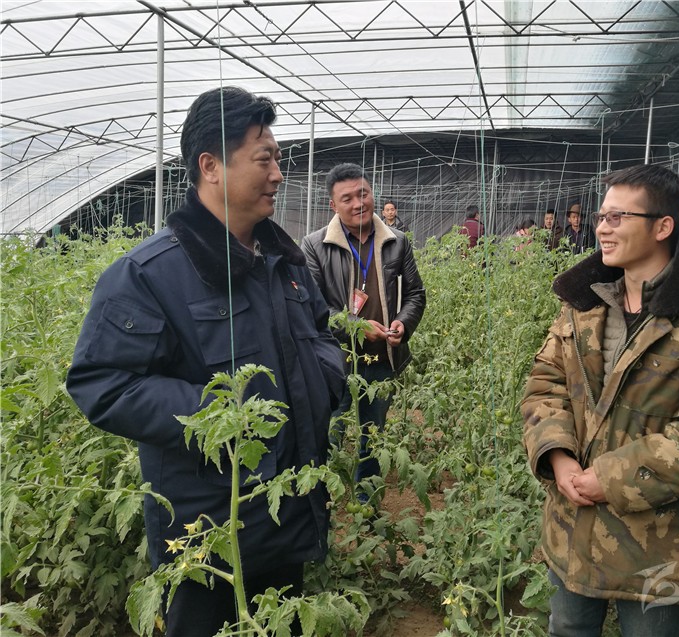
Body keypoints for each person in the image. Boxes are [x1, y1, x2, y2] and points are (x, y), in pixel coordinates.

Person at [66, 87, 346, 636]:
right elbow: (102, 383)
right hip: (206, 537)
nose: (278, 175)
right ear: (211, 166)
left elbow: (321, 333)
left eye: (278, 159)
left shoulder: (285, 263)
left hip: (286, 514)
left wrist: (325, 380)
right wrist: (220, 415)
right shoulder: (150, 274)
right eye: (263, 160)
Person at [522, 164, 679, 637]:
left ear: (663, 226)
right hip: (574, 522)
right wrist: (558, 457)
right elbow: (545, 382)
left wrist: (608, 479)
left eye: (618, 217)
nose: (602, 228)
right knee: (567, 625)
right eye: (601, 217)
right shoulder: (586, 301)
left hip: (659, 540)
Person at [301, 164, 426, 493]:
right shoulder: (315, 246)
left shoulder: (396, 241)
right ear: (333, 205)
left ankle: (366, 502)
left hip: (382, 357)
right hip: (335, 361)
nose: (359, 203)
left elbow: (415, 293)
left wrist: (403, 323)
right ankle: (323, 500)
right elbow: (312, 308)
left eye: (364, 194)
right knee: (330, 432)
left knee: (373, 436)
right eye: (348, 198)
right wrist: (355, 327)